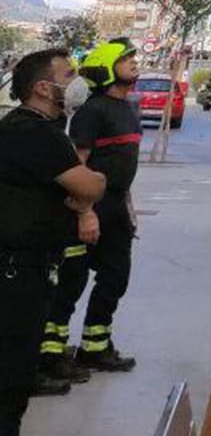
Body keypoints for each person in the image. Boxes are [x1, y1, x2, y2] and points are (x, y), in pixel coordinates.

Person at [1, 50, 105, 436]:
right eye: (68, 74)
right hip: (17, 271)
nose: (77, 81)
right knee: (10, 380)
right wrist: (92, 184)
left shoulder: (38, 128)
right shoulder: (34, 133)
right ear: (44, 88)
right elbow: (89, 186)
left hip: (25, 266)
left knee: (14, 375)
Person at [44, 40, 142, 379]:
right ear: (106, 68)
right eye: (125, 58)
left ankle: (95, 347)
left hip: (116, 209)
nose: (133, 62)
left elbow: (124, 166)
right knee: (71, 282)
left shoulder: (127, 109)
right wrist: (85, 213)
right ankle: (50, 354)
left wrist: (128, 207)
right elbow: (77, 167)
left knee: (115, 276)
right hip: (87, 209)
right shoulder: (93, 111)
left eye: (133, 57)